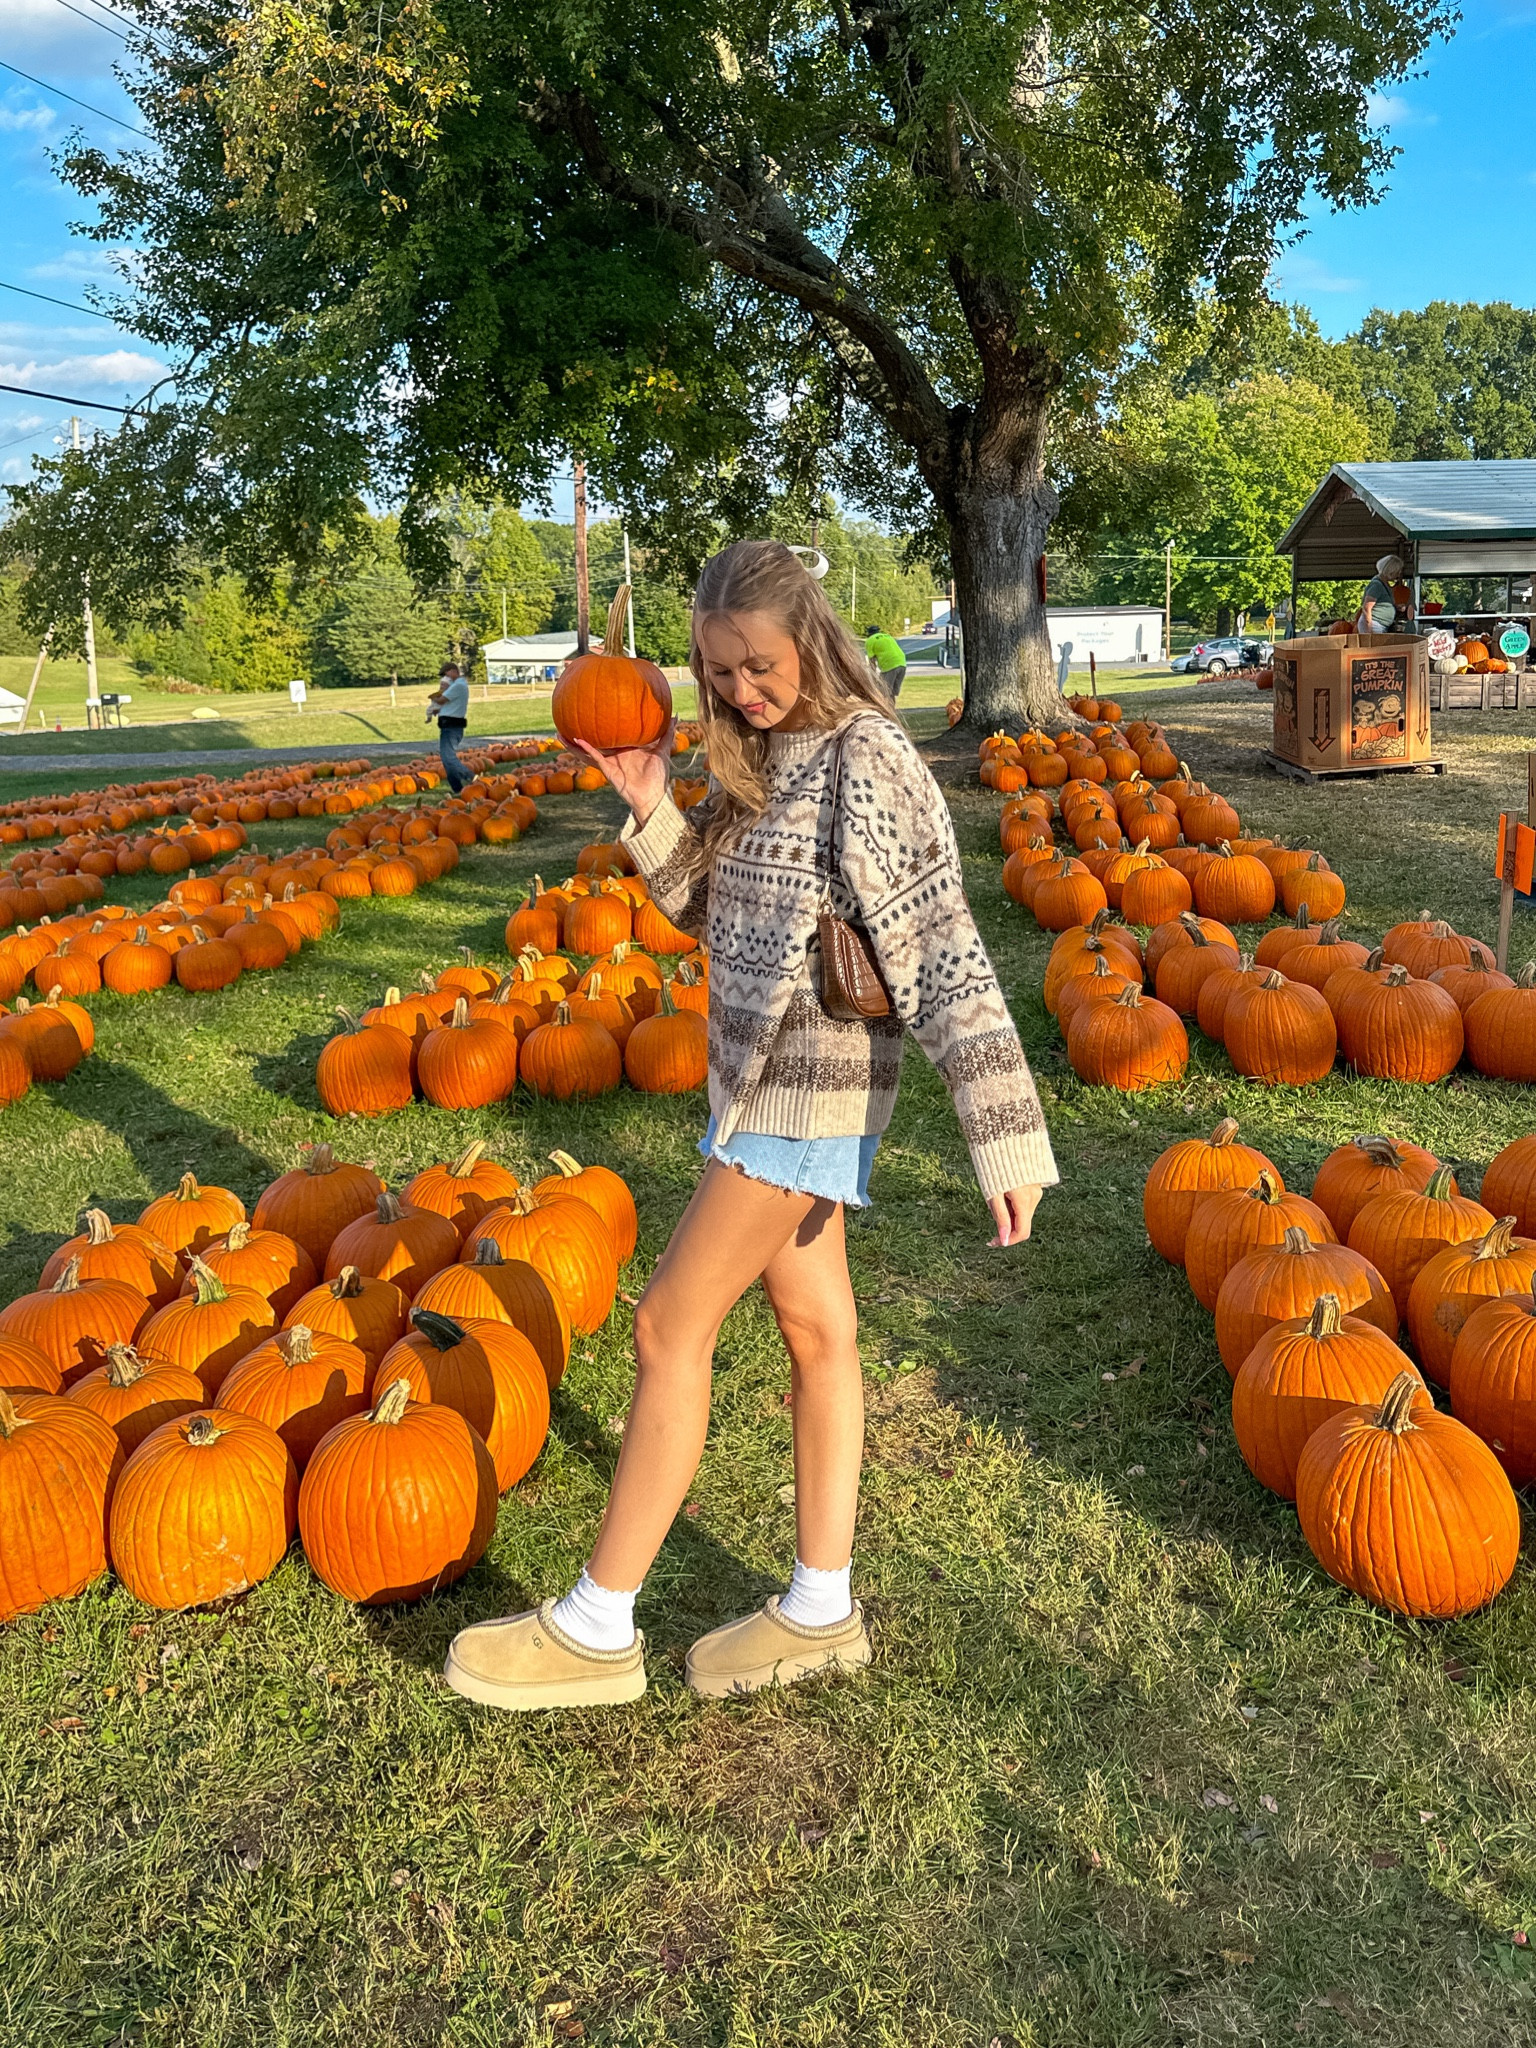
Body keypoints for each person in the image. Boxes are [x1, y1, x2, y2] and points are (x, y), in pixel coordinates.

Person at [443, 538, 1058, 1714]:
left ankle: (595, 1625)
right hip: (755, 1090)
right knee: (819, 1333)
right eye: (719, 672)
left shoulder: (868, 760)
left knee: (669, 1324)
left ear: (812, 640)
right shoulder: (765, 758)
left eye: (759, 666)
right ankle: (822, 1610)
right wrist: (648, 805)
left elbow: (942, 950)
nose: (740, 691)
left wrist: (1005, 1135)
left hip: (808, 1091)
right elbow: (715, 915)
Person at [426, 661, 470, 791]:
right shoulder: (456, 685)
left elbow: (441, 699)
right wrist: (438, 710)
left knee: (448, 757)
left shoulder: (458, 686)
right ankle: (457, 788)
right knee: (446, 760)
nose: (446, 679)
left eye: (447, 675)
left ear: (454, 671)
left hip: (452, 725)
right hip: (448, 724)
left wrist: (433, 698)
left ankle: (471, 776)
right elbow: (449, 704)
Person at [1357, 554, 1404, 635]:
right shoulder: (1376, 585)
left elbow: (1381, 602)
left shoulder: (1384, 584)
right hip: (1374, 625)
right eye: (1397, 571)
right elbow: (1367, 607)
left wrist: (1395, 607)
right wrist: (1369, 629)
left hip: (1380, 625)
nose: (1399, 574)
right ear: (1391, 571)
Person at [862, 622, 907, 699]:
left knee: (883, 691)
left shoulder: (870, 640)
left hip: (889, 664)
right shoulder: (888, 636)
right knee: (892, 692)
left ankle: (884, 710)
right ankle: (891, 710)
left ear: (869, 633)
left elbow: (872, 660)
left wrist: (873, 675)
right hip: (902, 662)